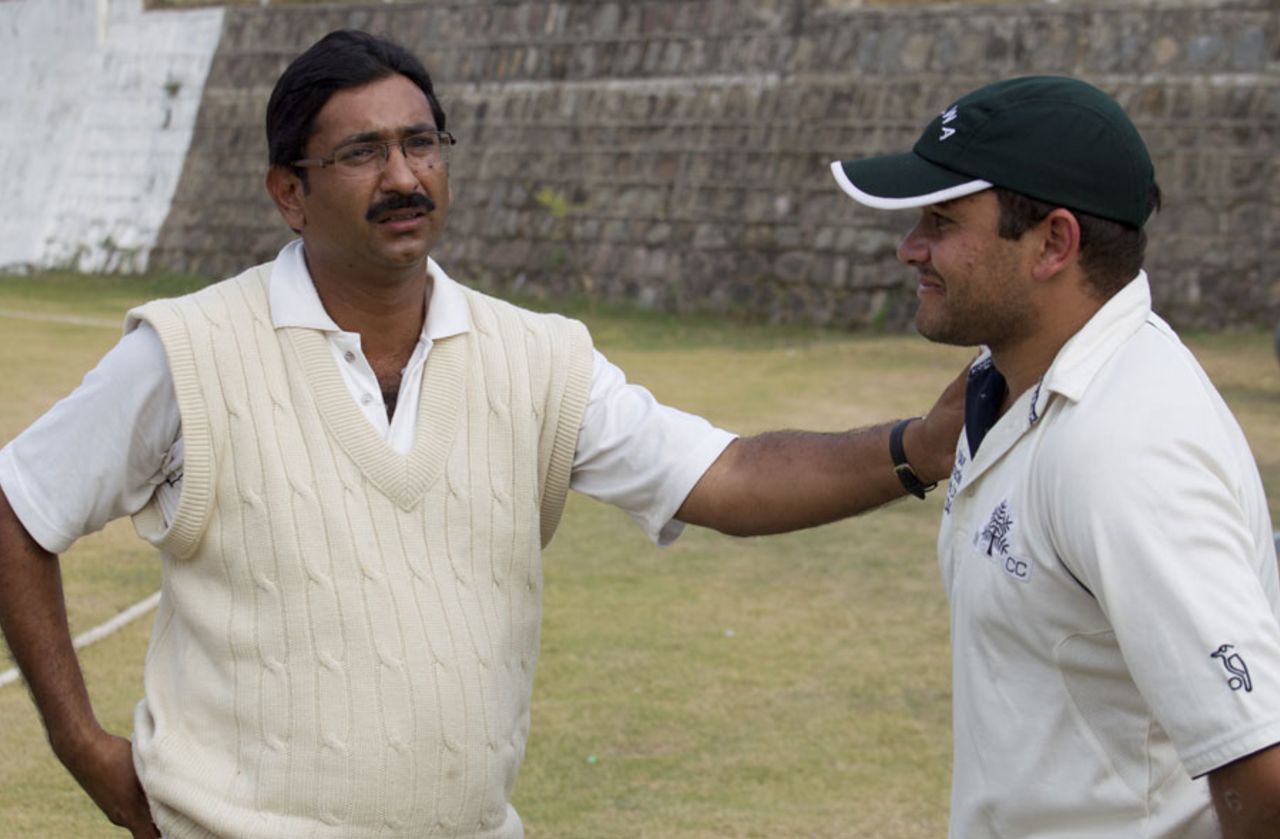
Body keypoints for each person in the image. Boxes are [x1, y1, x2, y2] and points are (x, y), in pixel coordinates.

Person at [0, 30, 963, 839]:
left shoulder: (537, 358)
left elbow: (732, 474)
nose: (403, 176)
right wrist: (81, 745)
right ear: (288, 193)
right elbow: (20, 506)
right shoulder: (190, 349)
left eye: (422, 143)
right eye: (361, 153)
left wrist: (913, 448)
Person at [829, 75, 1280, 838]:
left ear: (1054, 243)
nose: (911, 248)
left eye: (941, 220)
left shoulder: (1126, 448)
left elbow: (1260, 769)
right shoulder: (1004, 384)